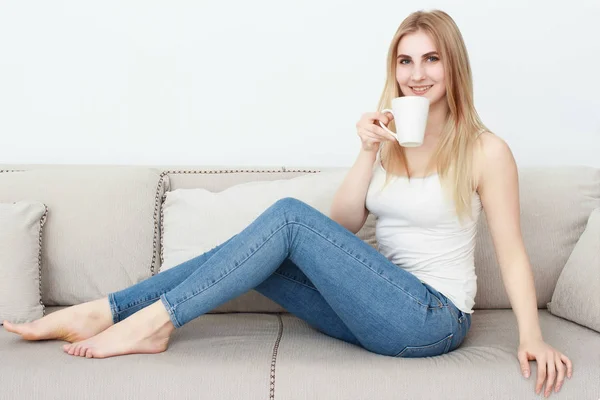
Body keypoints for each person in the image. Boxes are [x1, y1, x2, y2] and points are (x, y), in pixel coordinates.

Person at [3, 9, 572, 397]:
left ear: (453, 68)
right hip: (375, 313)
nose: (416, 75)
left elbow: (513, 253)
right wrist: (367, 150)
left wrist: (530, 336)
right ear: (393, 70)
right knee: (254, 252)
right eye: (405, 61)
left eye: (431, 60)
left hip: (432, 320)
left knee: (288, 220)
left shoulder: (486, 150)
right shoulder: (389, 141)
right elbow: (347, 222)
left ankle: (147, 322)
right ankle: (105, 311)